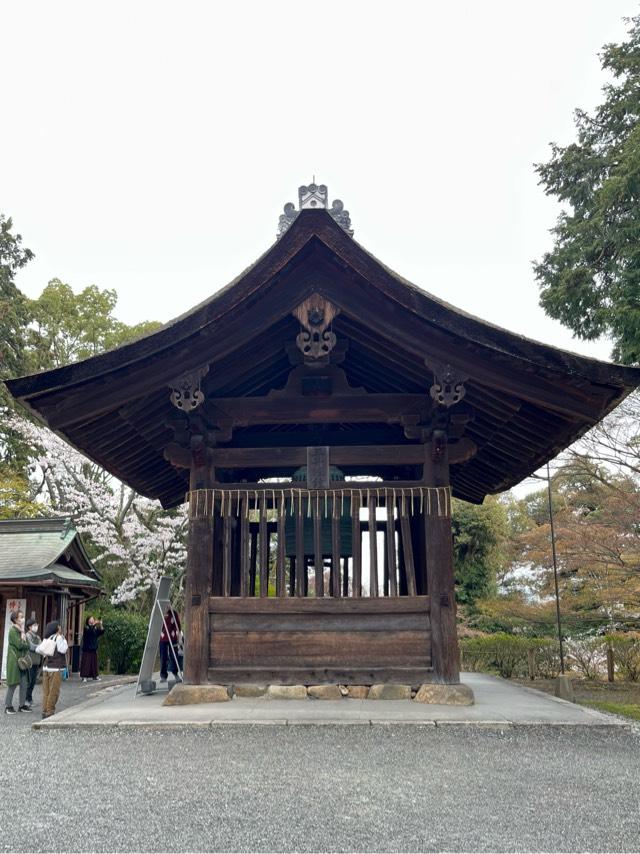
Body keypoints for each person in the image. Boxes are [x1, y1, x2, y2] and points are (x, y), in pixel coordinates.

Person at [4, 611, 31, 714]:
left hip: (22, 662)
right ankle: (8, 706)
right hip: (15, 661)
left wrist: (24, 640)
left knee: (24, 684)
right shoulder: (12, 631)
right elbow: (20, 645)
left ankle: (22, 705)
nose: (23, 619)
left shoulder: (21, 631)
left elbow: (27, 644)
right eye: (21, 617)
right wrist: (24, 641)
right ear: (15, 619)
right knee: (13, 684)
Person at [41, 620, 68, 719]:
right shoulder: (59, 637)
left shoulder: (46, 638)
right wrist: (64, 640)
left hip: (46, 667)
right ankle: (50, 711)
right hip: (55, 668)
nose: (60, 627)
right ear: (57, 628)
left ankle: (44, 710)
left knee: (46, 691)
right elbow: (63, 650)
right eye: (59, 626)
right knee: (54, 691)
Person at [159, 606, 181, 682]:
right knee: (163, 656)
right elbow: (156, 625)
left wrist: (177, 633)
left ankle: (175, 673)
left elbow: (178, 625)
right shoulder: (159, 612)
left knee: (174, 655)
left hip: (172, 637)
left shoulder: (173, 613)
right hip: (162, 637)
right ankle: (163, 676)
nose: (167, 606)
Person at [80, 616, 104, 682]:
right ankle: (84, 677)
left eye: (93, 619)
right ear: (88, 621)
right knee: (86, 663)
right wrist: (94, 624)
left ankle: (95, 676)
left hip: (93, 648)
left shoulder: (95, 628)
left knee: (94, 664)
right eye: (91, 619)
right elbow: (89, 632)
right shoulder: (86, 627)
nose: (92, 620)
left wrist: (101, 624)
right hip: (87, 649)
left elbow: (101, 632)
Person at [25, 618, 42, 708]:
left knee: (33, 682)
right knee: (29, 681)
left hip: (36, 661)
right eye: (34, 625)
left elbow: (41, 646)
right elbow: (31, 647)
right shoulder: (27, 636)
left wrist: (41, 647)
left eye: (37, 625)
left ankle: (30, 699)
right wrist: (40, 647)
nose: (36, 627)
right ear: (29, 627)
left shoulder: (38, 637)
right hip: (29, 661)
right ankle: (26, 699)